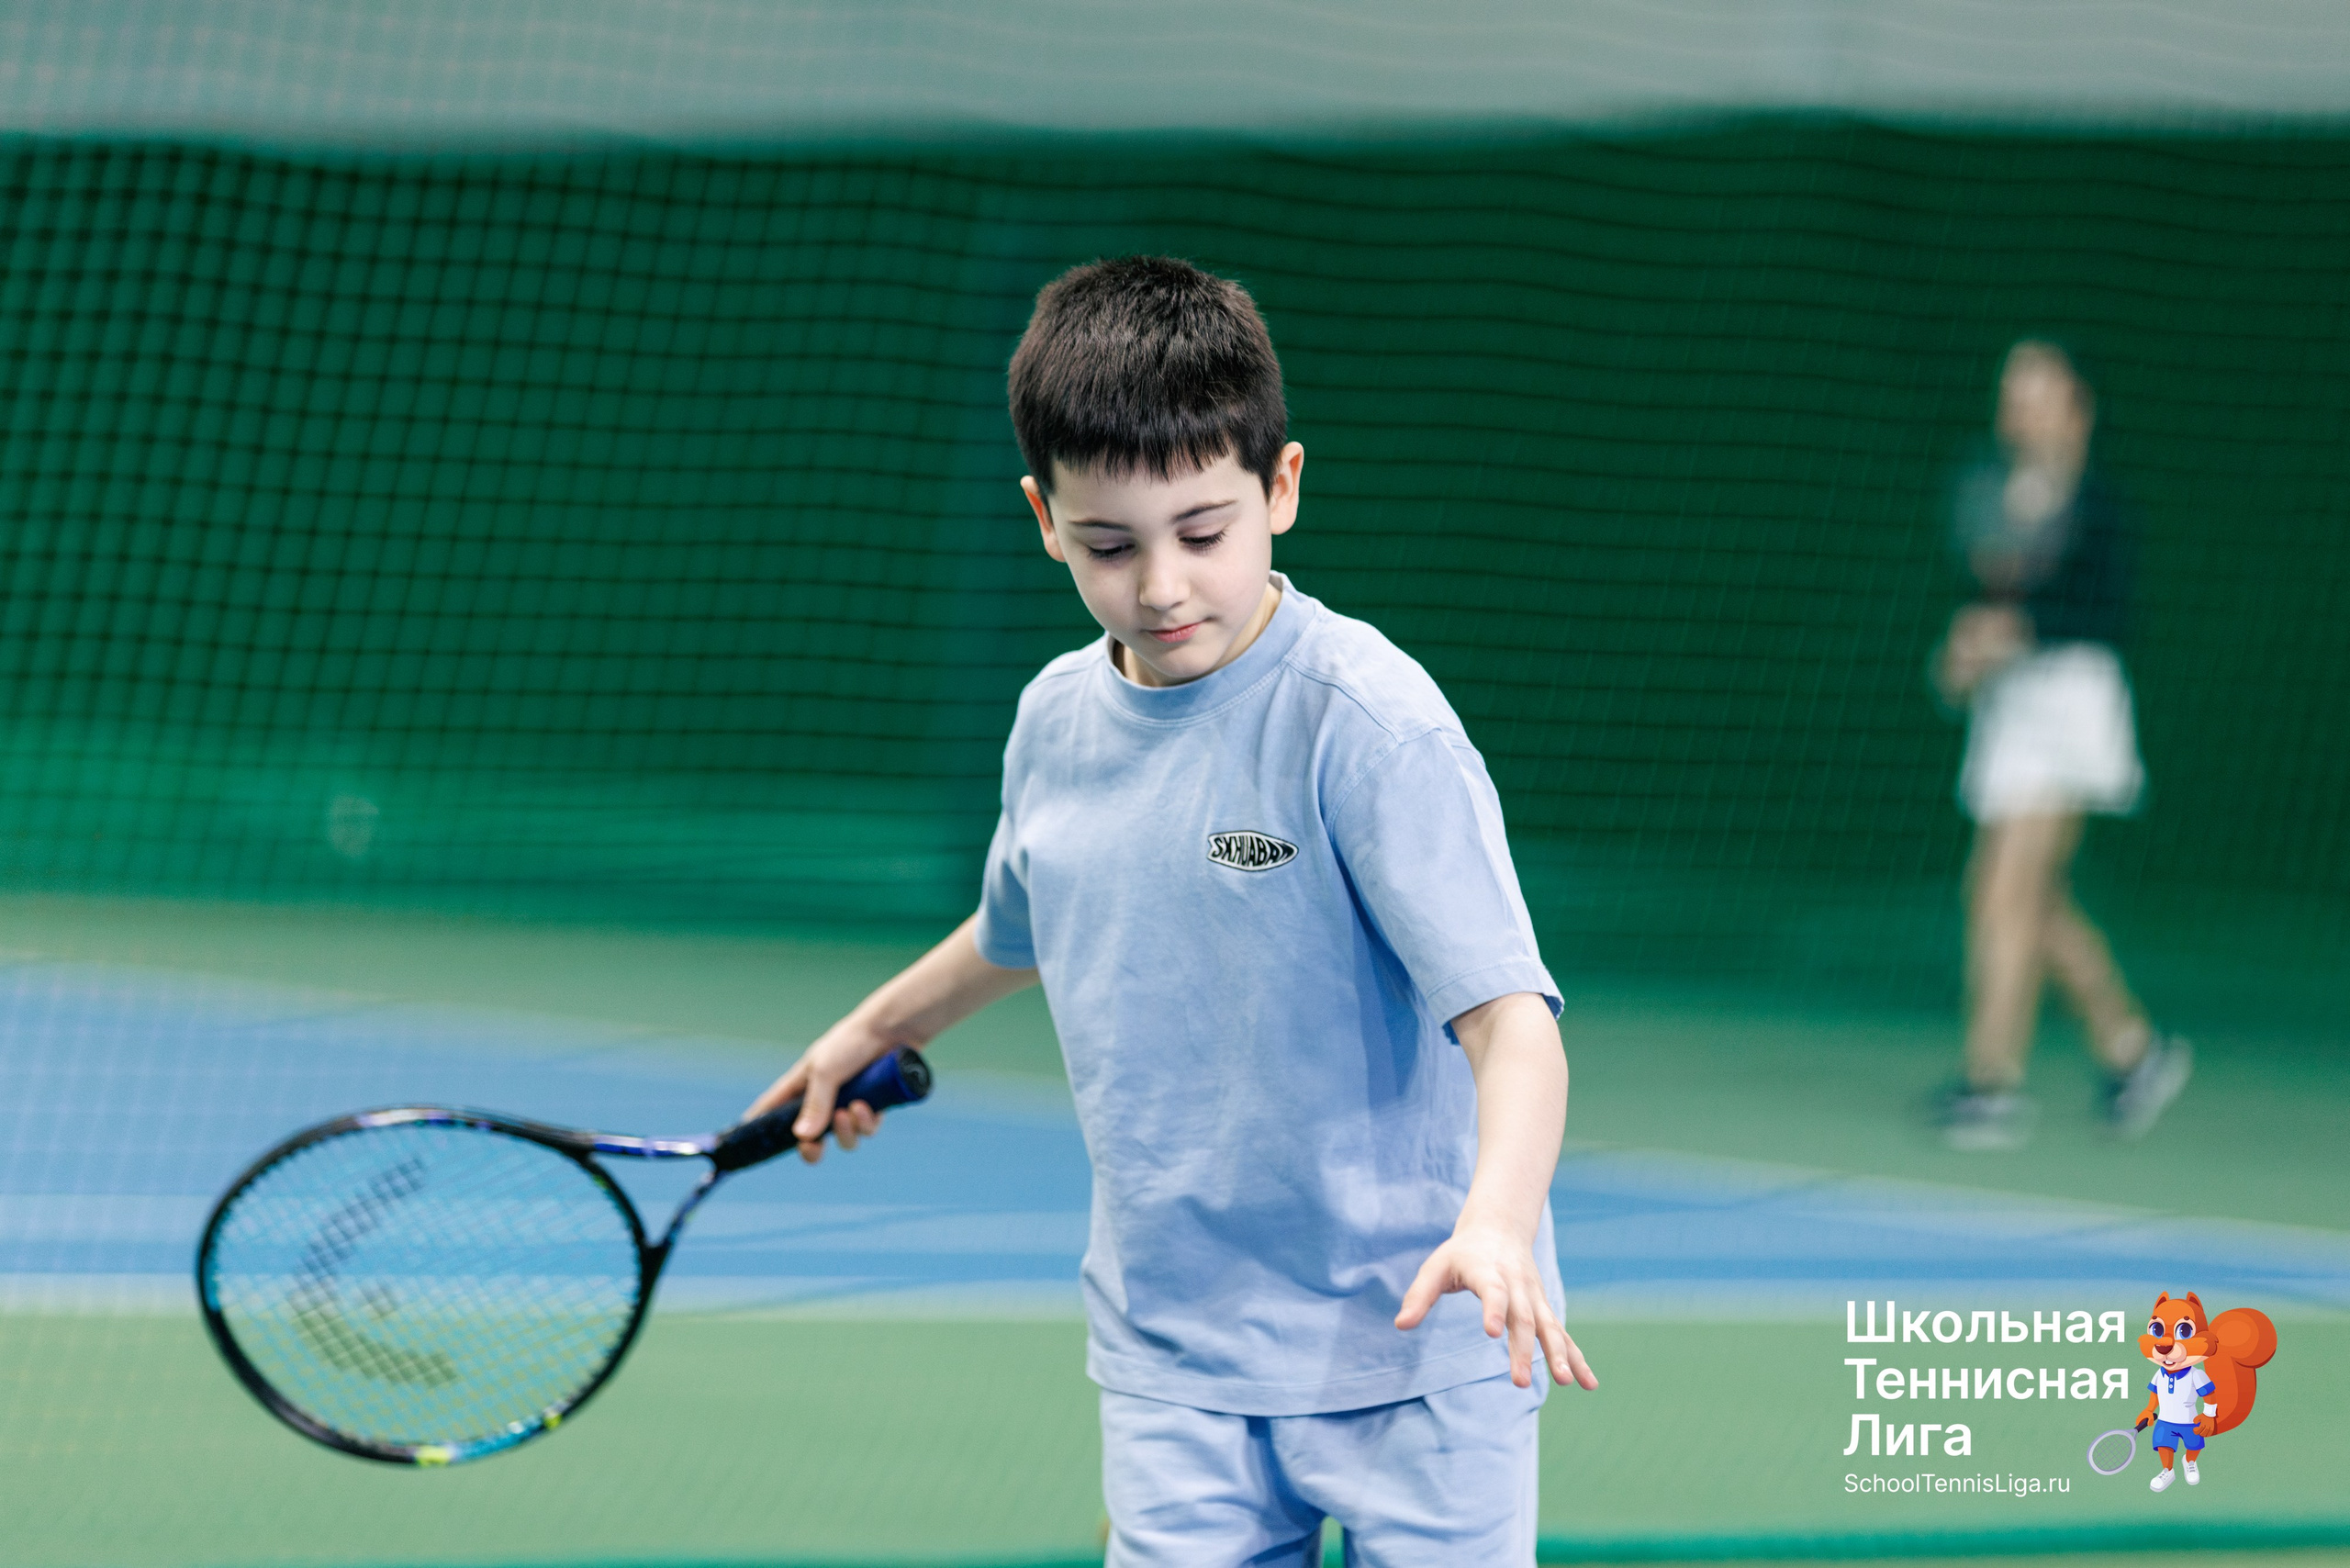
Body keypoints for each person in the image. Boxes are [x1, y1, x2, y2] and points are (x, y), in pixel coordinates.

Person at [744, 255, 1596, 1563]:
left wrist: (1492, 1223)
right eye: (1109, 544)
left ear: (1283, 488)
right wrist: (868, 1029)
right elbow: (1018, 928)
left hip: (1423, 1344)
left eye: (1204, 533)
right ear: (1043, 515)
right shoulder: (1052, 722)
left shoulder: (1367, 725)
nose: (1161, 586)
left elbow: (1511, 1022)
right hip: (1176, 1356)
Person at [1930, 340, 2191, 1151]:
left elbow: (2108, 613)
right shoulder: (1985, 490)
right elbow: (1979, 599)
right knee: (2020, 895)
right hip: (2008, 709)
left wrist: (2016, 631)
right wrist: (1966, 651)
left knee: (2007, 884)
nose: (2019, 404)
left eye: (2038, 390)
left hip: (2073, 705)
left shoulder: (2101, 505)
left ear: (2077, 406)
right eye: (2012, 390)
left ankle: (1990, 1083)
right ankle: (2132, 1047)